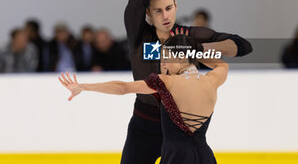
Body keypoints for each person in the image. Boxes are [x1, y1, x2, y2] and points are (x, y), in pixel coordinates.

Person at [123, 0, 252, 164]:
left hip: (180, 131)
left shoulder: (189, 36)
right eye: (158, 10)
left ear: (176, 5)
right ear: (148, 14)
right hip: (143, 126)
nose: (165, 15)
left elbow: (241, 46)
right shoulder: (140, 35)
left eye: (169, 8)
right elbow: (135, 1)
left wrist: (199, 50)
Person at [58, 34, 228, 164]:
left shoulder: (167, 82)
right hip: (204, 155)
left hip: (176, 156)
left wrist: (84, 87)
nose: (164, 65)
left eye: (167, 58)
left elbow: (123, 87)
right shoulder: (212, 80)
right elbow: (222, 65)